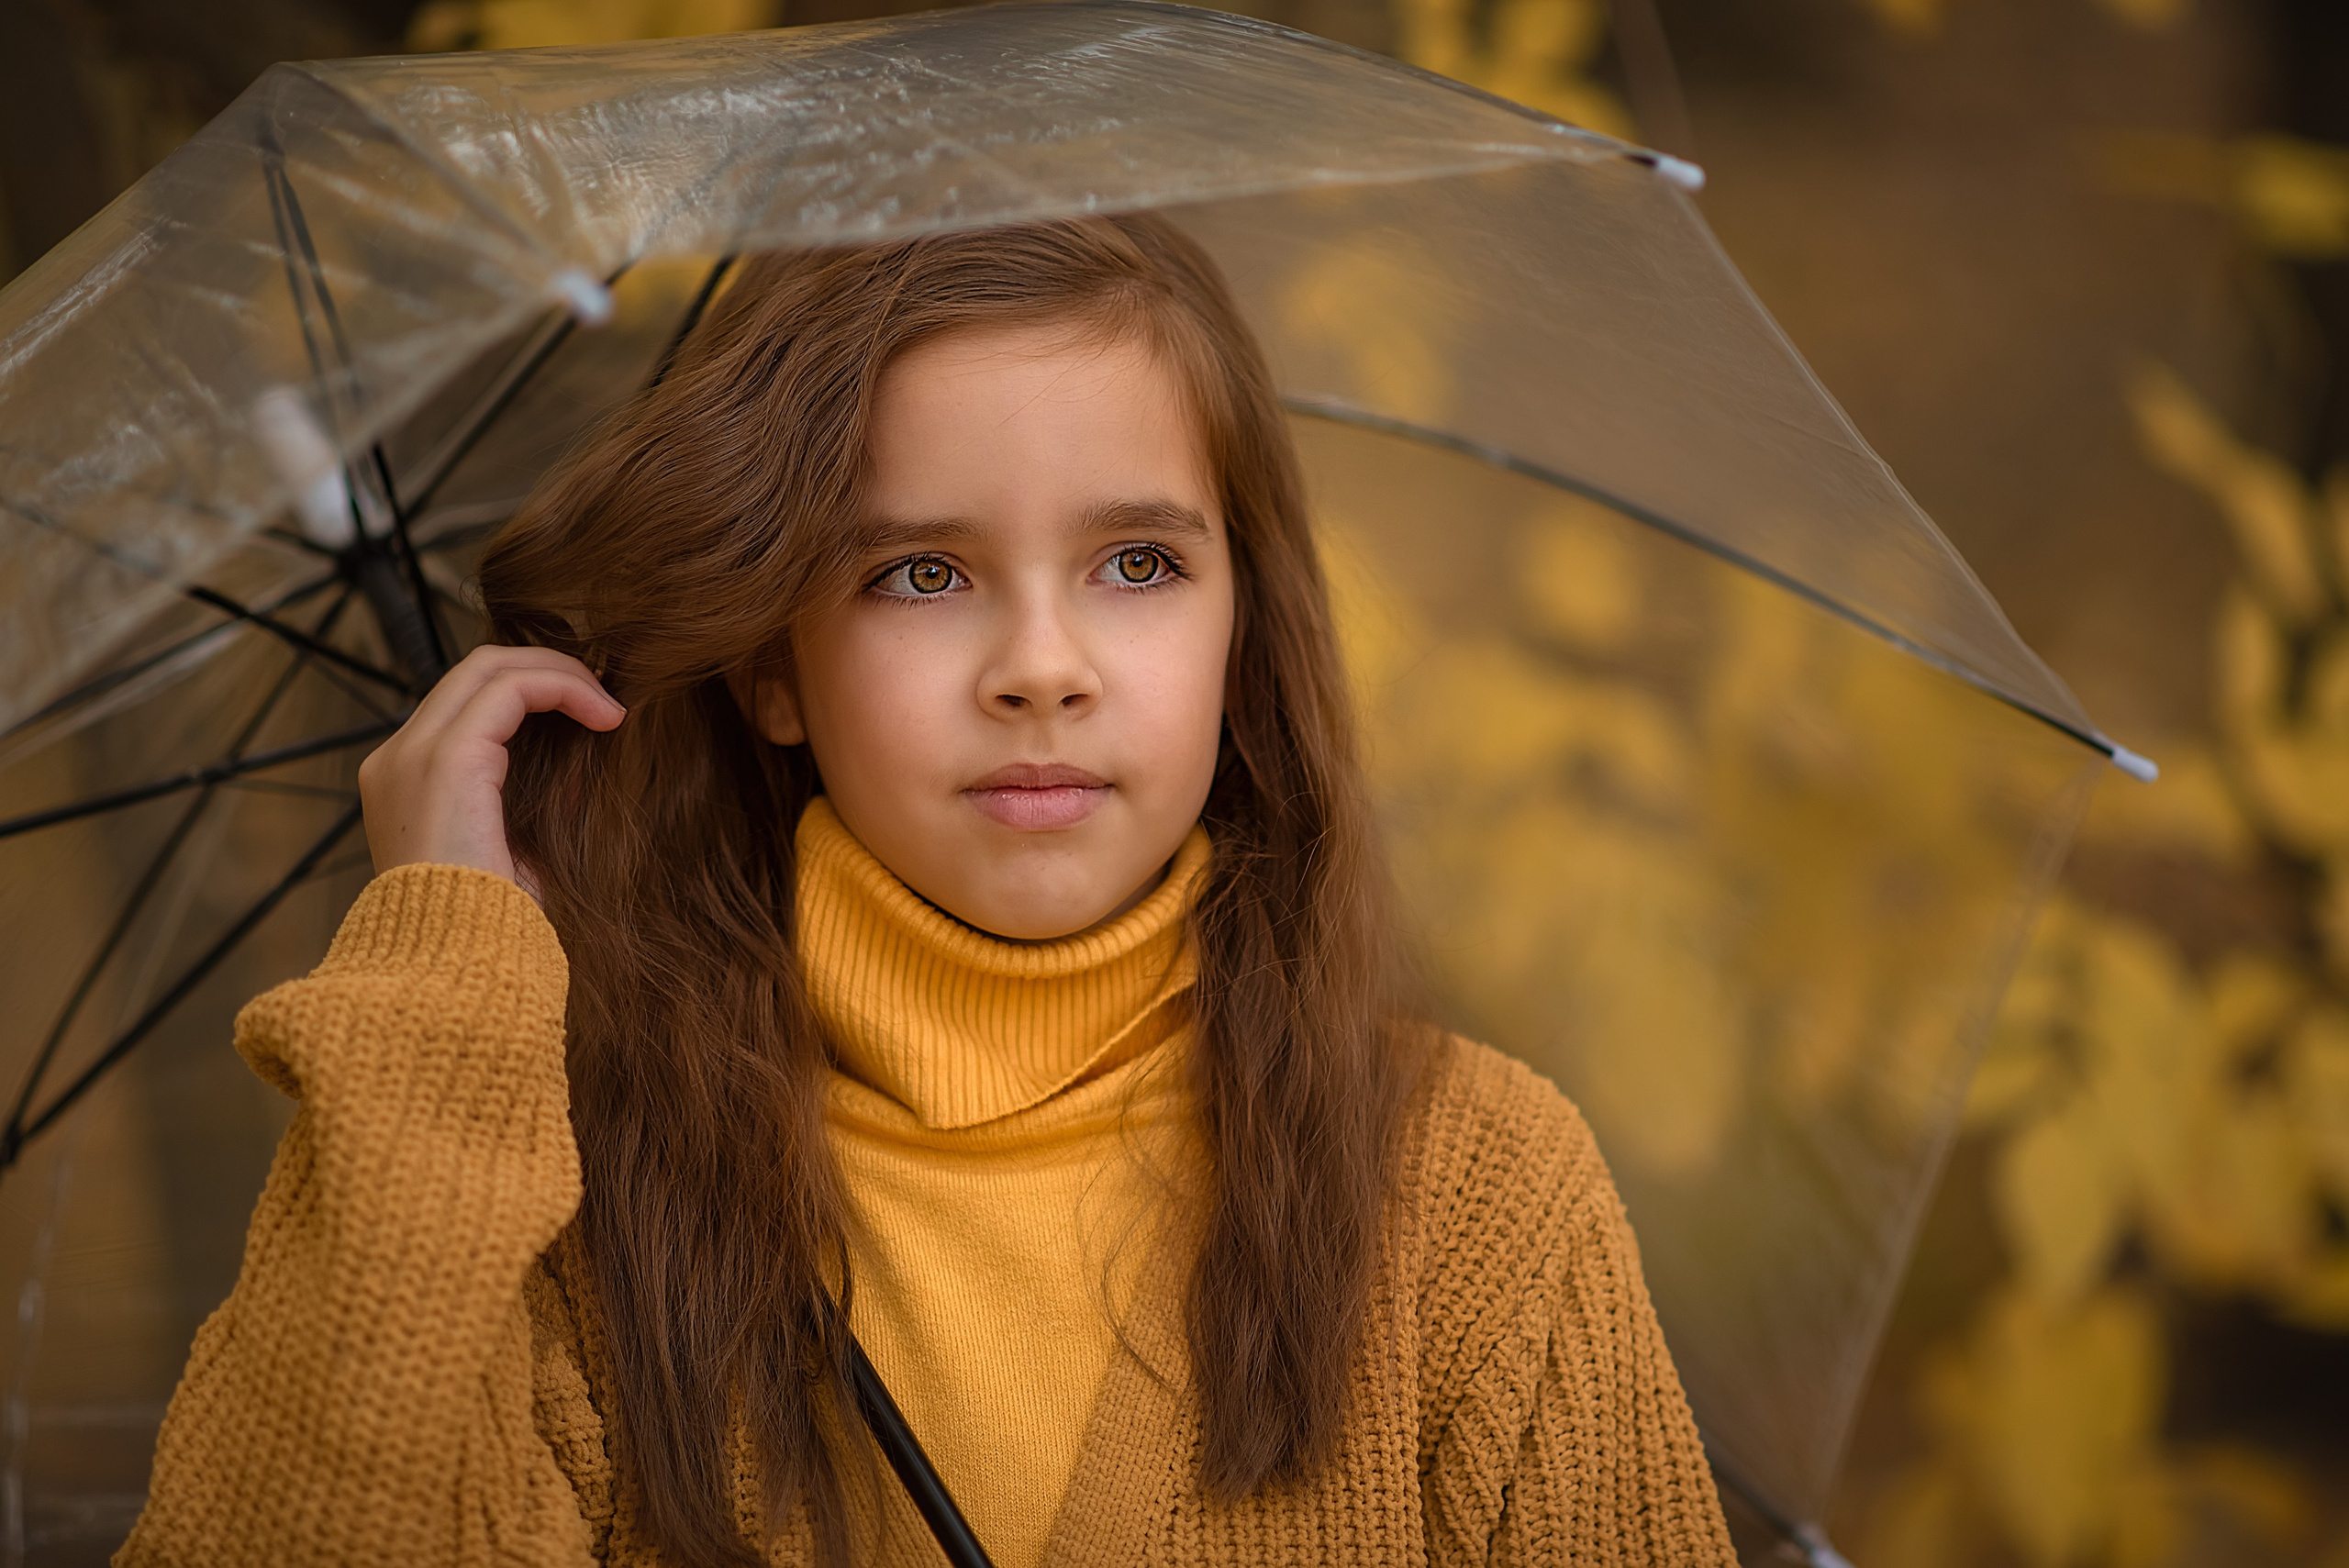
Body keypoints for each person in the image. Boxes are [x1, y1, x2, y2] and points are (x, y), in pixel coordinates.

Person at [117, 216, 1735, 1568]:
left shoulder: (1472, 1196)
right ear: (774, 668)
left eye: (1139, 563)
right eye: (921, 574)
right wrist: (439, 989)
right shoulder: (551, 1194)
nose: (1040, 667)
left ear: (1247, 630)